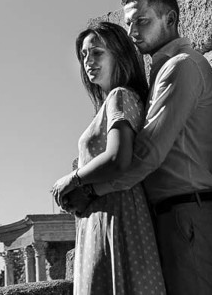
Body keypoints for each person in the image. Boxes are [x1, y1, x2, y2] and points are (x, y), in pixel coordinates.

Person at [64, 0, 212, 295]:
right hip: (175, 216)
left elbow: (147, 153)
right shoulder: (162, 72)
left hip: (187, 214)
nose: (132, 32)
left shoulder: (181, 67)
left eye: (142, 21)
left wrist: (89, 188)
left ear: (170, 19)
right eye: (129, 23)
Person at [50, 21, 165, 295]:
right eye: (84, 55)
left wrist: (73, 180)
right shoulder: (112, 102)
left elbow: (118, 158)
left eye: (97, 53)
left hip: (117, 217)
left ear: (119, 55)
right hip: (106, 217)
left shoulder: (120, 96)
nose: (88, 61)